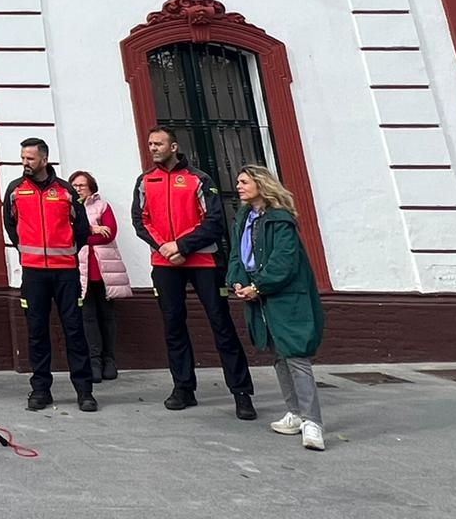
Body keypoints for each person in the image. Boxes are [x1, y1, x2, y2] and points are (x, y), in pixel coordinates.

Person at [131, 127, 256, 419]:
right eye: (150, 144)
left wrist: (183, 246)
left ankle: (241, 393)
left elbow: (214, 221)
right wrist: (164, 247)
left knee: (221, 325)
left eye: (159, 143)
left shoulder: (199, 179)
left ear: (174, 146)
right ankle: (183, 388)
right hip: (164, 263)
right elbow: (140, 220)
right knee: (173, 326)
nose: (153, 148)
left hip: (202, 262)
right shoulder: (145, 181)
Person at [228, 164, 327, 451]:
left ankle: (313, 422)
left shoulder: (280, 220)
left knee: (295, 354)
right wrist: (237, 281)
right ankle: (294, 412)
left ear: (261, 184)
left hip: (284, 296)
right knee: (278, 354)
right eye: (238, 181)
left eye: (244, 181)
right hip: (258, 295)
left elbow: (284, 261)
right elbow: (237, 254)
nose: (239, 186)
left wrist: (258, 286)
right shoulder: (244, 217)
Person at [2, 138, 97, 413]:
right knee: (36, 332)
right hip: (33, 273)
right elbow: (11, 225)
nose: (25, 164)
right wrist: (26, 251)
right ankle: (40, 389)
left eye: (30, 159)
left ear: (44, 159)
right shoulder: (15, 190)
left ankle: (84, 391)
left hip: (65, 271)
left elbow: (81, 229)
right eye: (22, 158)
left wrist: (67, 253)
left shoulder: (66, 191)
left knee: (74, 330)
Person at [70, 170, 130, 382]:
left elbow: (110, 234)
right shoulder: (70, 208)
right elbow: (70, 236)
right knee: (88, 317)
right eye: (75, 186)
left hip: (105, 270)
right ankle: (93, 360)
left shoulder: (102, 206)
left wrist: (86, 235)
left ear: (91, 188)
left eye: (82, 186)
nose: (78, 189)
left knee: (107, 316)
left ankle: (109, 359)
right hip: (82, 271)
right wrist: (93, 229)